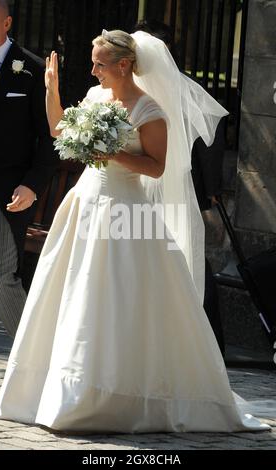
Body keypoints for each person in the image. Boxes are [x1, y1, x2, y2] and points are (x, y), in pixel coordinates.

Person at [0, 29, 270, 433]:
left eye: (99, 64)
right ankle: (66, 391)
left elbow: (156, 167)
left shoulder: (150, 110)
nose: (93, 71)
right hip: (85, 204)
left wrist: (114, 153)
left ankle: (122, 393)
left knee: (122, 294)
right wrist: (51, 91)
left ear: (124, 65)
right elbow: (60, 135)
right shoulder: (94, 98)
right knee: (75, 289)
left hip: (127, 211)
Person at [134, 20, 226, 356]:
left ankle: (205, 340)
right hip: (139, 190)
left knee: (185, 257)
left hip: (177, 189)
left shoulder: (184, 89)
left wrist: (209, 194)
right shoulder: (130, 89)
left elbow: (208, 145)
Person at [0, 0, 58, 337]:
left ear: (7, 24)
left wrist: (33, 184)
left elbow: (51, 137)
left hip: (7, 193)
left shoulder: (31, 69)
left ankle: (29, 365)